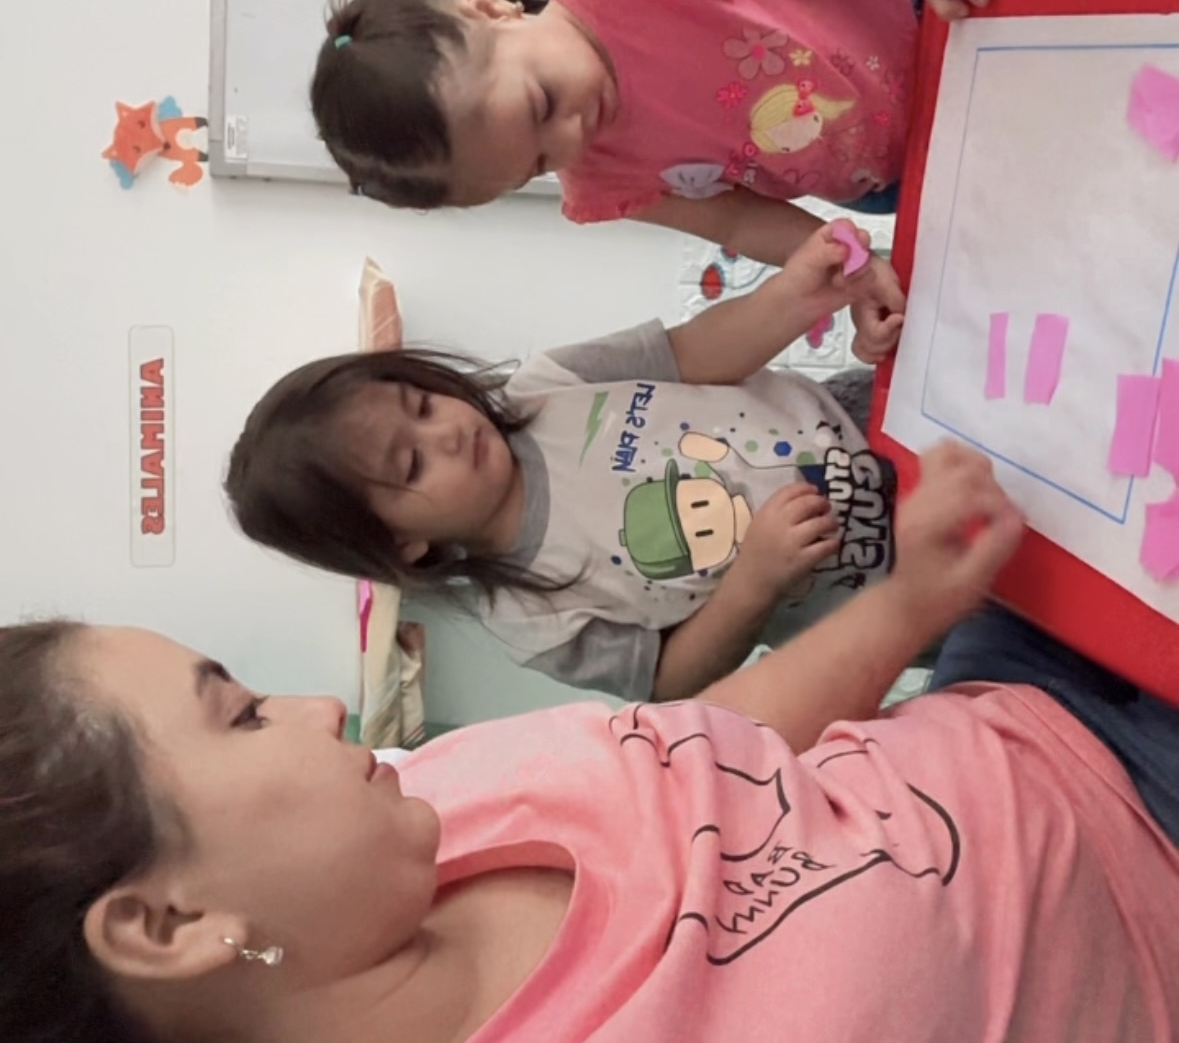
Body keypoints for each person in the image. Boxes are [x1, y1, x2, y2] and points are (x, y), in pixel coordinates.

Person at [6, 444, 1179, 1043]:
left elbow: (715, 742)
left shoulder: (407, 814)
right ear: (170, 926)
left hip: (1025, 687)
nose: (317, 709)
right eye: (242, 714)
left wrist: (913, 600)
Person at [227, 221, 898, 701]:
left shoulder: (550, 384)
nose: (448, 434)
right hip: (878, 594)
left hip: (867, 418)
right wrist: (753, 581)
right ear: (402, 543)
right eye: (412, 465)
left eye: (423, 405)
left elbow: (698, 351)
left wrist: (796, 296)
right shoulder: (528, 617)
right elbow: (669, 679)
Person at [309, 0, 1022, 360]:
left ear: (492, 10)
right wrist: (851, 270)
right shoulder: (600, 179)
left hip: (933, 10)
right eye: (539, 163)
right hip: (899, 171)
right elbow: (738, 219)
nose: (572, 136)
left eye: (541, 103)